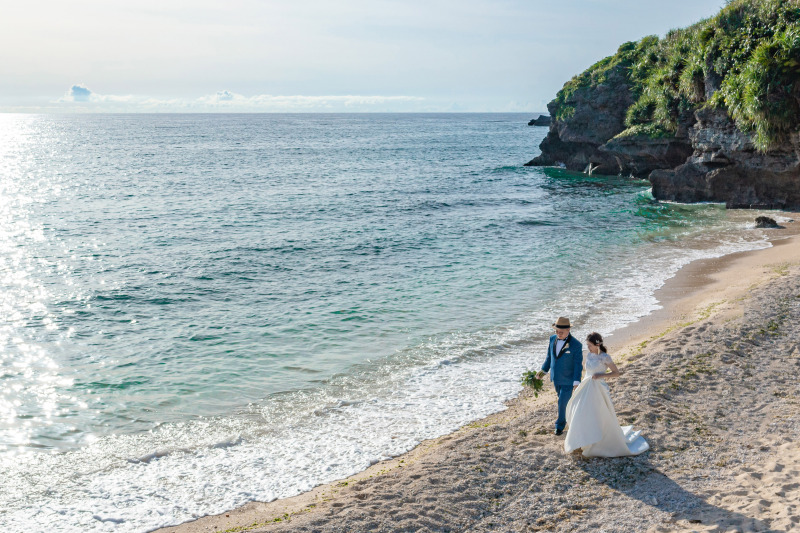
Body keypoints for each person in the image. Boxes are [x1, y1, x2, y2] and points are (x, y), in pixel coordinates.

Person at [564, 332, 649, 457]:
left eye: (590, 345)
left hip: (598, 388)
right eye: (587, 345)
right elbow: (587, 372)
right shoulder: (589, 355)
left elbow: (616, 373)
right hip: (586, 386)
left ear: (597, 344)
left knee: (598, 414)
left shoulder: (605, 357)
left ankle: (597, 442)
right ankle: (581, 440)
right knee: (580, 411)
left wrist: (601, 375)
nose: (588, 347)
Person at [536, 317, 583, 435]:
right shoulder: (552, 339)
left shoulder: (576, 345)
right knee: (563, 402)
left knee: (562, 402)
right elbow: (549, 357)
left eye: (561, 332)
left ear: (568, 330)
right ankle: (570, 416)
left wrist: (576, 381)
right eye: (556, 331)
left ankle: (559, 426)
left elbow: (578, 365)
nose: (558, 334)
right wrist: (543, 371)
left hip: (568, 380)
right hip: (556, 378)